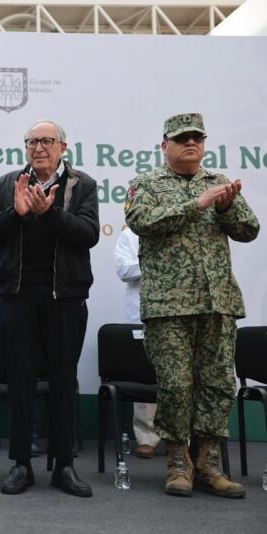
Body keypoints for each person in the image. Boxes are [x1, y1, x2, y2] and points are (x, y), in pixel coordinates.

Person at [125, 113, 259, 498]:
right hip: (169, 305)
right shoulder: (147, 184)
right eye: (182, 138)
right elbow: (140, 221)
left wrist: (225, 207)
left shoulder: (219, 184)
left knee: (217, 384)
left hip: (218, 302)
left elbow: (249, 230)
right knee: (176, 384)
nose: (191, 144)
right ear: (164, 144)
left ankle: (209, 464)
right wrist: (195, 205)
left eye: (197, 138)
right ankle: (178, 462)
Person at [0, 120, 99, 498]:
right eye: (32, 141)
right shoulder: (6, 184)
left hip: (64, 297)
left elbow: (88, 234)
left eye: (47, 141)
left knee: (64, 379)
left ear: (63, 147)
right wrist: (15, 212)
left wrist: (50, 213)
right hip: (17, 296)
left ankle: (64, 465)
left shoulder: (83, 185)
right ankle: (21, 465)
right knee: (20, 378)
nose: (39, 147)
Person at [114, 227, 160, 459]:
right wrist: (155, 261)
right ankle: (146, 437)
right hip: (141, 315)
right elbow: (124, 270)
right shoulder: (129, 236)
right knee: (144, 374)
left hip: (176, 312)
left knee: (179, 377)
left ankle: (179, 437)